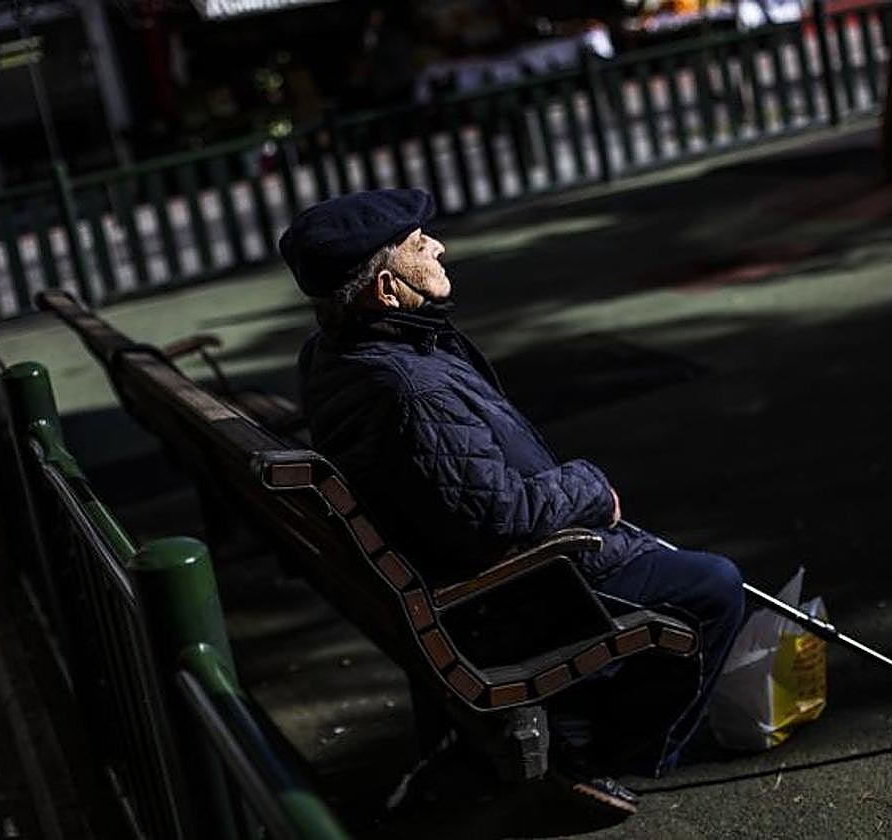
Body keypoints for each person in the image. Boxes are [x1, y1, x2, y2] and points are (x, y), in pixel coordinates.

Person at [281, 188, 743, 815]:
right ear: (386, 291)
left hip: (445, 572)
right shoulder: (408, 385)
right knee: (714, 587)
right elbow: (500, 519)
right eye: (419, 245)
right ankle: (612, 753)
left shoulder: (344, 351)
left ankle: (580, 717)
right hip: (512, 588)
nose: (439, 247)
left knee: (676, 573)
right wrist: (588, 488)